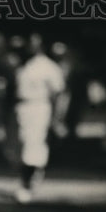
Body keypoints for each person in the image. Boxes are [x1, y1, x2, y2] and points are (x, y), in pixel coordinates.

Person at [13, 33, 66, 203]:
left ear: (40, 46)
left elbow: (59, 94)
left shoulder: (48, 67)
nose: (29, 47)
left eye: (33, 44)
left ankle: (26, 186)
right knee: (21, 145)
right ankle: (33, 176)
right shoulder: (22, 65)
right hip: (21, 107)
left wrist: (57, 119)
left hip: (39, 106)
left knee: (32, 145)